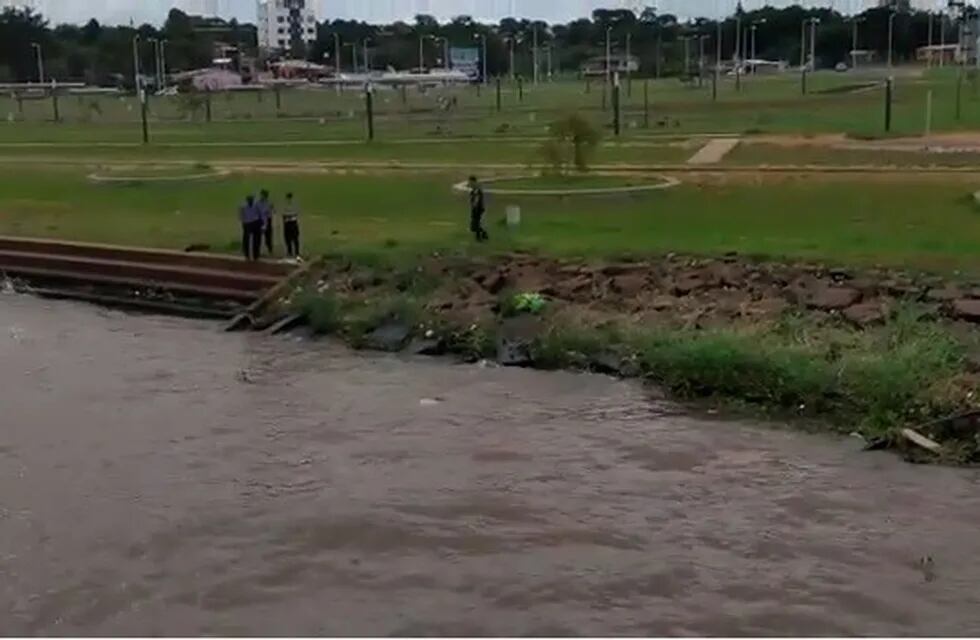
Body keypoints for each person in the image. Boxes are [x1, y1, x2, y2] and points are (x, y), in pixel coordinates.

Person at [239, 195, 262, 261]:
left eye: (251, 200)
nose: (251, 201)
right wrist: (243, 223)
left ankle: (256, 255)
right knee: (246, 239)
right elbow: (241, 215)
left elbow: (260, 214)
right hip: (247, 223)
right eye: (249, 200)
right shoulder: (243, 206)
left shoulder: (256, 205)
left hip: (255, 222)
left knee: (256, 239)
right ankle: (247, 254)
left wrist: (260, 223)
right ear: (247, 200)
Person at [468, 175, 488, 242]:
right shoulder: (473, 191)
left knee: (476, 224)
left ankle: (480, 237)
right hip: (475, 209)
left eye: (471, 182)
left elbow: (477, 200)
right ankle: (484, 235)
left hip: (478, 209)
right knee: (475, 225)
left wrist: (474, 205)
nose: (470, 184)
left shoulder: (477, 190)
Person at [282, 192, 301, 259]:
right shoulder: (285, 204)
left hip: (293, 222)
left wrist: (288, 215)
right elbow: (283, 214)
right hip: (287, 223)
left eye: (289, 198)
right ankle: (289, 252)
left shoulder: (294, 204)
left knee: (295, 238)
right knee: (287, 238)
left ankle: (297, 252)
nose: (288, 199)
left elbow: (295, 213)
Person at [257, 189, 275, 256]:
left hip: (268, 220)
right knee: (258, 237)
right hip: (260, 220)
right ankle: (258, 251)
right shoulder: (258, 203)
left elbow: (272, 211)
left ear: (265, 196)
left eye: (262, 195)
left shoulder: (269, 203)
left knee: (268, 236)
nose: (261, 196)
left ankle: (270, 250)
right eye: (261, 195)